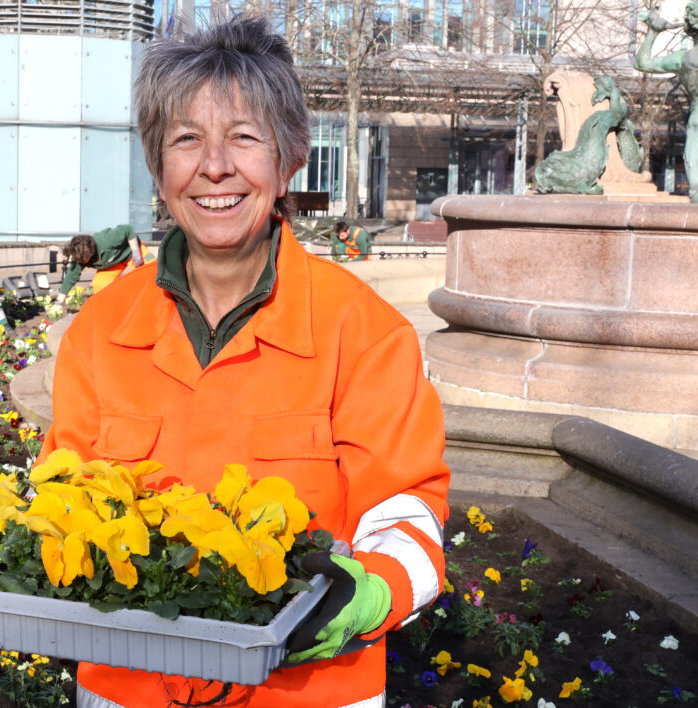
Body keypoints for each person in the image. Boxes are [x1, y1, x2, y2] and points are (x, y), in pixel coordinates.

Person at [40, 17, 449, 708]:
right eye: (186, 139)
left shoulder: (363, 332)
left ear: (289, 156)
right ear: (158, 164)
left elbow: (406, 513)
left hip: (307, 691)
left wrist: (368, 589)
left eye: (244, 138)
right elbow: (60, 500)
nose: (215, 166)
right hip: (127, 691)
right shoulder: (101, 331)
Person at [635, 1, 698, 201]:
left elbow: (642, 63)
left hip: (696, 121)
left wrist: (653, 31)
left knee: (696, 192)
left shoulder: (683, 59)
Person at [58, 224, 154, 296]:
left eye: (83, 260)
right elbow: (71, 276)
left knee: (152, 272)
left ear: (90, 252)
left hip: (131, 252)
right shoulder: (80, 255)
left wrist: (136, 251)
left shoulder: (107, 239)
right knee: (99, 285)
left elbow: (127, 229)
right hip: (112, 263)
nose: (81, 263)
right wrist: (59, 300)